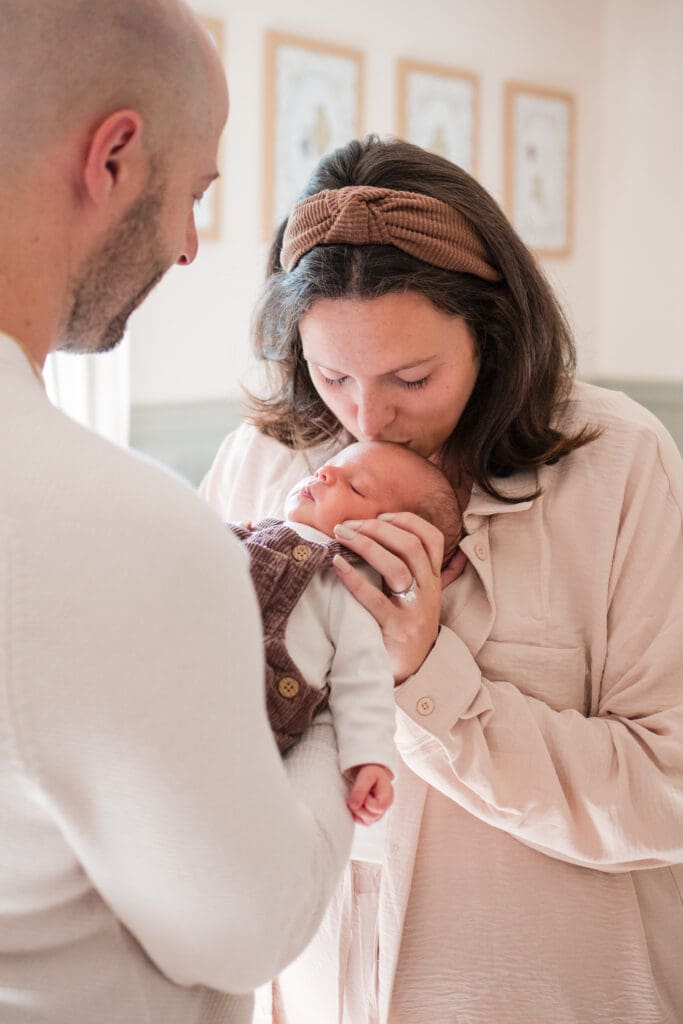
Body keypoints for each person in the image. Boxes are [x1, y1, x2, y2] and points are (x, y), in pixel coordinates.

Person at [200, 135, 683, 1024]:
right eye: (332, 375)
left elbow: (666, 793)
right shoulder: (263, 460)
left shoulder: (617, 466)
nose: (367, 417)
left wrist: (429, 683)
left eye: (412, 378)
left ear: (491, 338)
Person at [0, 3, 354, 1022]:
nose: (191, 246)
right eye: (193, 194)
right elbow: (247, 928)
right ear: (112, 157)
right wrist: (344, 682)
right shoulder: (121, 537)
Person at [229, 440, 462, 825]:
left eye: (356, 487)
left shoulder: (347, 584)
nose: (324, 473)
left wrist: (370, 759)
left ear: (385, 535)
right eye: (329, 467)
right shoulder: (255, 531)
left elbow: (363, 677)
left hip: (257, 707)